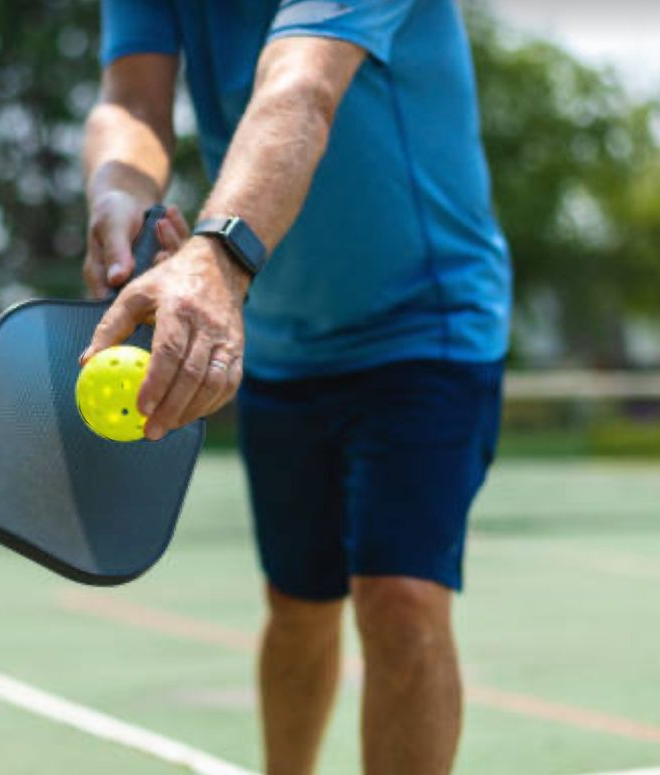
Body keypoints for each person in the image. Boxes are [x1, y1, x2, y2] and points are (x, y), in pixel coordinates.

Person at [80, 1, 511, 772]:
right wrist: (116, 195)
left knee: (401, 597)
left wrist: (216, 257)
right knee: (298, 602)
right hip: (280, 333)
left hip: (426, 321)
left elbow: (300, 85)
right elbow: (132, 99)